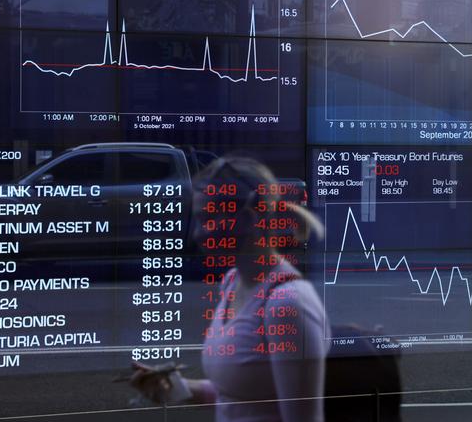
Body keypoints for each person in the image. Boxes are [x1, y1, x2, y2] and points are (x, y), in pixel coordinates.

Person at [131, 156, 328, 422]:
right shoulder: (232, 282)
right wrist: (177, 388)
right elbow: (239, 396)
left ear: (250, 216)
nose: (198, 234)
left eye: (208, 219)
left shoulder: (288, 303)